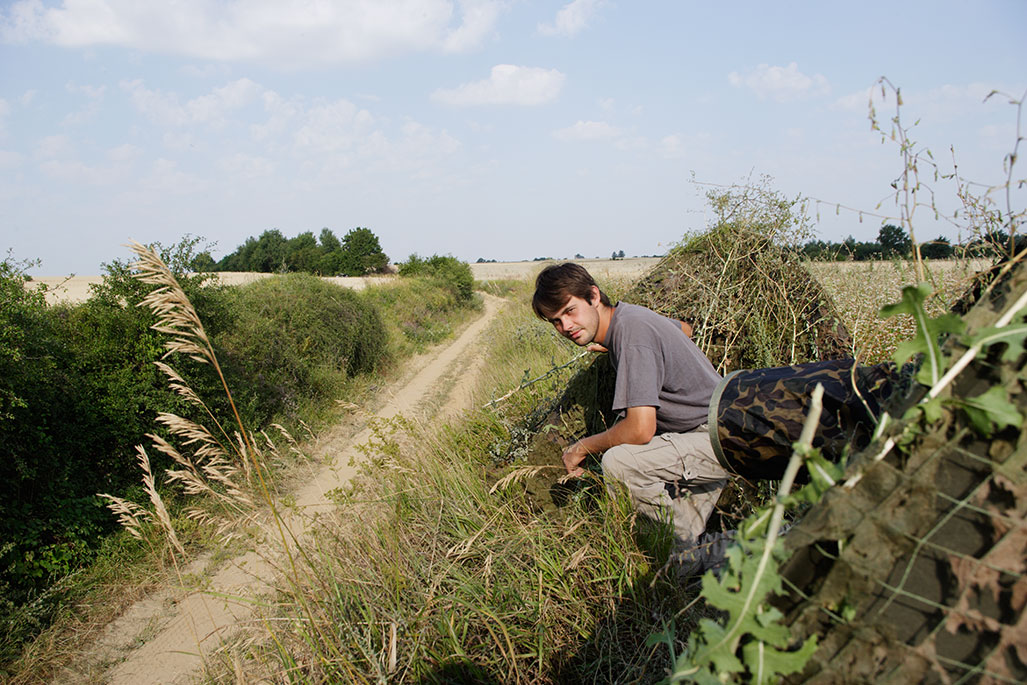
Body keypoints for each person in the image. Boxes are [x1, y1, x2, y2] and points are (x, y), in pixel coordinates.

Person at [532, 262, 730, 576]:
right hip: (709, 435)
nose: (566, 326)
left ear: (593, 296)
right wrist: (614, 345)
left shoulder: (632, 334)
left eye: (570, 311)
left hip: (714, 438)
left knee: (620, 463)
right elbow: (684, 329)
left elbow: (640, 430)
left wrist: (581, 447)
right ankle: (718, 565)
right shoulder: (631, 318)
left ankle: (769, 551)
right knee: (676, 564)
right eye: (556, 321)